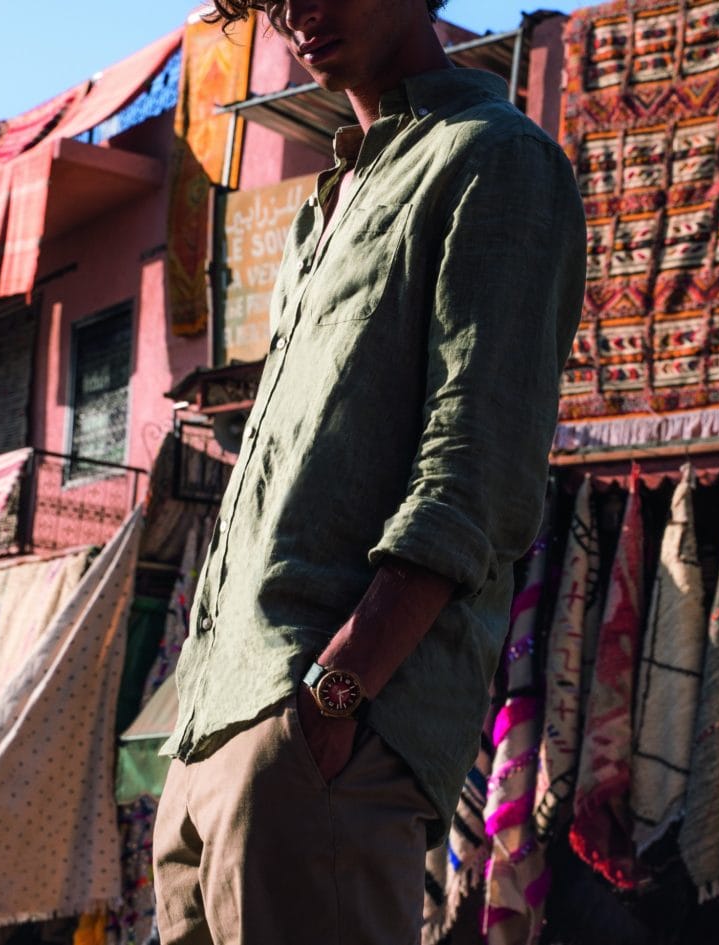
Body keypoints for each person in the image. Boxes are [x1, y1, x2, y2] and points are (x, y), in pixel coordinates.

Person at [152, 0, 586, 942]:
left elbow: (476, 469)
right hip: (206, 741)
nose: (297, 11)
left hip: (314, 741)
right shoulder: (326, 205)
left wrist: (333, 695)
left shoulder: (492, 158)